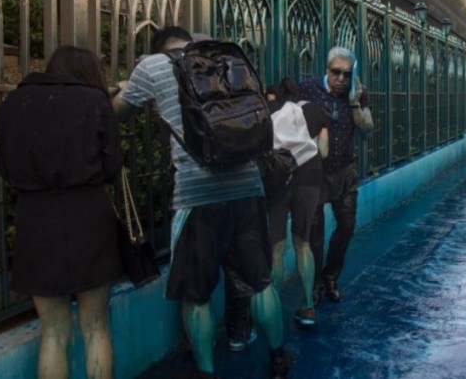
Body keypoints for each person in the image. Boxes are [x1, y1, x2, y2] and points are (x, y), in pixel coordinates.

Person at [112, 27, 292, 379]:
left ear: (159, 49)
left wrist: (125, 89)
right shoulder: (223, 60)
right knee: (260, 282)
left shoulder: (152, 67)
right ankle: (280, 358)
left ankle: (206, 372)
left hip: (198, 195)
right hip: (248, 187)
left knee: (195, 295)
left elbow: (116, 112)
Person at [0, 45, 123, 379]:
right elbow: (112, 167)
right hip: (89, 217)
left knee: (53, 333)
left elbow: (6, 169)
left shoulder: (12, 105)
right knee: (95, 327)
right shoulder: (95, 103)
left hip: (35, 219)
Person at [299, 47, 374, 304]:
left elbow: (368, 129)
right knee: (315, 235)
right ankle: (317, 283)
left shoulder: (356, 93)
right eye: (336, 72)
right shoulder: (307, 89)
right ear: (327, 69)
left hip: (345, 170)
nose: (341, 79)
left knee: (347, 225)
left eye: (346, 74)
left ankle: (331, 276)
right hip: (314, 173)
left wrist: (354, 101)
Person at [265, 78, 329, 326]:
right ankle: (309, 307)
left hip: (279, 175)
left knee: (277, 247)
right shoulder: (314, 110)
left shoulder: (269, 109)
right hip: (310, 175)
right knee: (303, 243)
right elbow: (323, 151)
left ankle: (271, 310)